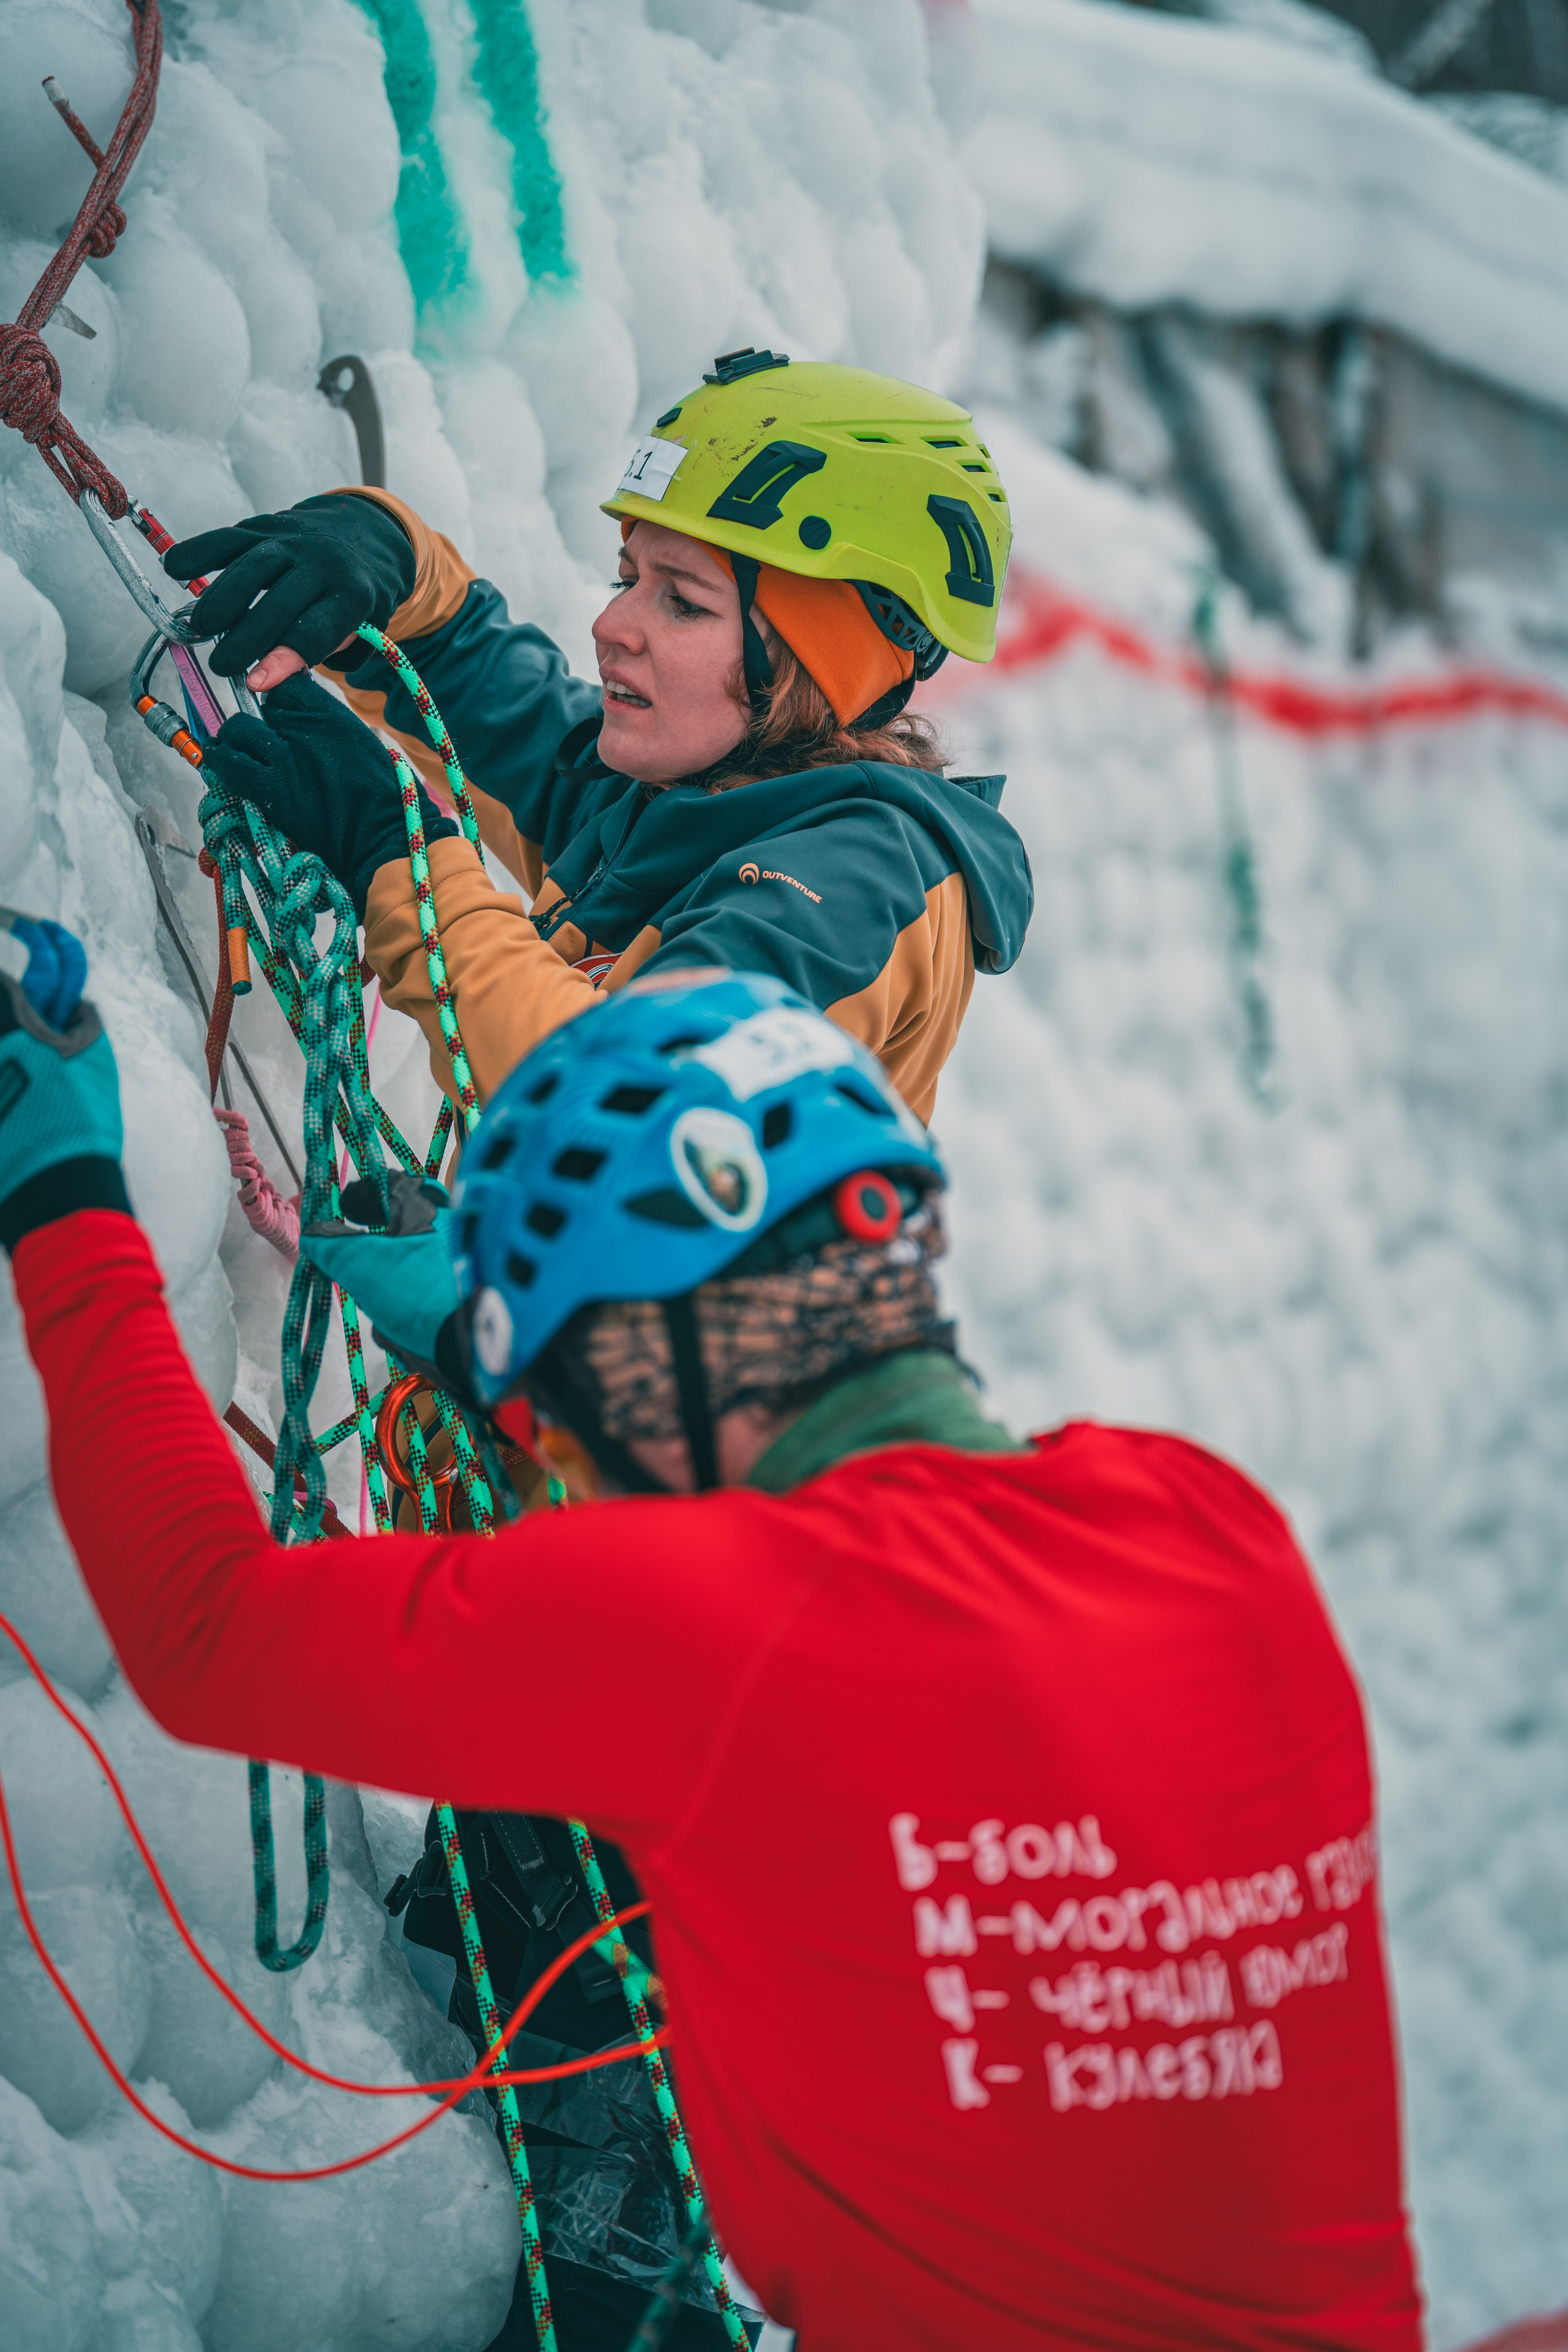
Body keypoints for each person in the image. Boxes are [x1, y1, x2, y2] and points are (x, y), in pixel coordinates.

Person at [1, 944, 1423, 2352]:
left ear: (655, 1353)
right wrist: (535, 1370)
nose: (574, 1469)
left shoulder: (707, 1632)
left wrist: (65, 1193)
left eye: (579, 1418)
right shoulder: (1212, 1531)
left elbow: (201, 1621)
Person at [163, 352, 1031, 1127]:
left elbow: (621, 1107)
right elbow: (492, 693)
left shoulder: (859, 887)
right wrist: (385, 556)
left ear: (819, 662)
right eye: (628, 580)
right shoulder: (691, 794)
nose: (611, 625)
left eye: (683, 601)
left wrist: (396, 852)